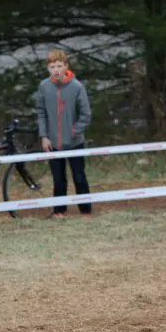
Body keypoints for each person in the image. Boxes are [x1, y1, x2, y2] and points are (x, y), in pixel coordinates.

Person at [36, 49, 93, 219]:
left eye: (59, 66)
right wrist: (44, 136)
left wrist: (74, 131)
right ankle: (59, 210)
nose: (56, 70)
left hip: (75, 142)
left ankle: (86, 210)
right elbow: (41, 112)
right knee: (58, 179)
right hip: (53, 142)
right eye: (53, 66)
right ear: (48, 68)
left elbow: (86, 114)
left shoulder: (76, 87)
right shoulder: (44, 86)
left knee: (79, 176)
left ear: (66, 66)